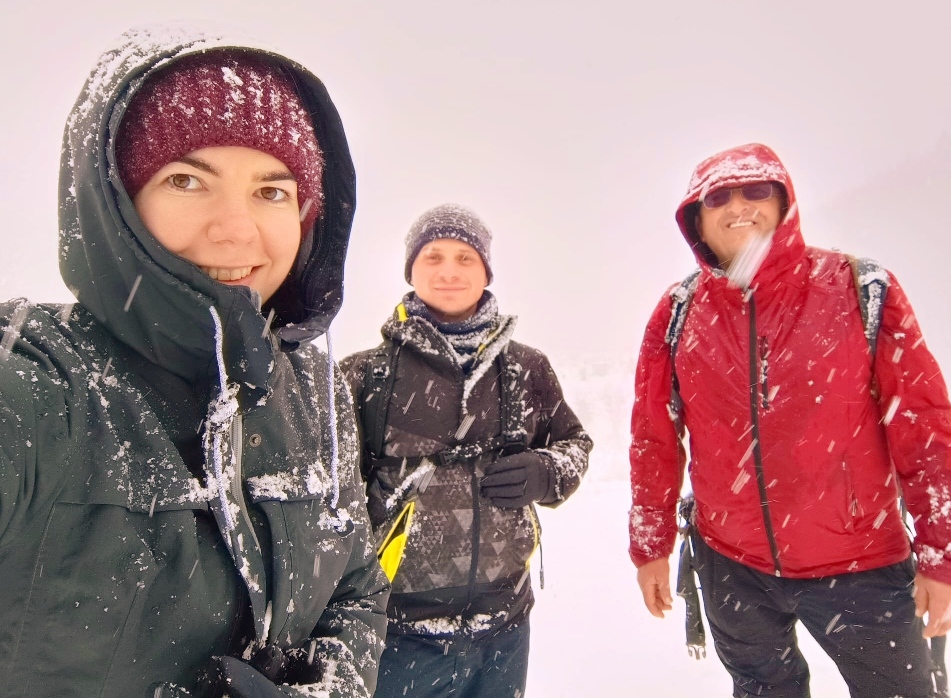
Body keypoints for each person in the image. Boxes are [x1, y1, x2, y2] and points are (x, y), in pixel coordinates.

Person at [0, 27, 389, 697]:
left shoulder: (316, 395)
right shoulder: (36, 387)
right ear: (114, 202)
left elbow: (355, 588)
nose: (236, 229)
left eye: (272, 191)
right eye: (186, 180)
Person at [628, 143, 951, 697]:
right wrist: (651, 546)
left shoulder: (862, 289)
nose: (738, 205)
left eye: (756, 190)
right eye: (718, 197)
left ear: (783, 202)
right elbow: (654, 436)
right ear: (696, 218)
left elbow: (923, 427)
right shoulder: (678, 311)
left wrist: (948, 554)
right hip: (732, 565)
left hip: (861, 565)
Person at [340, 204, 592, 697]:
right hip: (395, 627)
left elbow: (575, 445)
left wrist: (546, 471)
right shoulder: (366, 374)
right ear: (411, 270)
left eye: (465, 258)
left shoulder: (526, 368)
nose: (449, 271)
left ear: (486, 271)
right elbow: (334, 495)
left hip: (505, 624)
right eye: (433, 257)